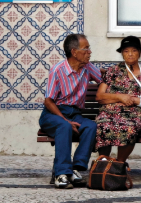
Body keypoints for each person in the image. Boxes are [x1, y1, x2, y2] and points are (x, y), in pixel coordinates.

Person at [40, 34, 102, 189]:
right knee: (64, 126)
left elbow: (104, 79)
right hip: (53, 113)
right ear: (74, 52)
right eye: (86, 48)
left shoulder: (87, 67)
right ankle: (61, 174)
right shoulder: (57, 70)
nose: (90, 52)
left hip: (74, 113)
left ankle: (74, 168)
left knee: (90, 126)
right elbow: (48, 101)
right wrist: (65, 120)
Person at [94, 36, 141, 164]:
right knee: (102, 124)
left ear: (140, 53)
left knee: (129, 127)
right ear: (122, 53)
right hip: (109, 112)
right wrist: (120, 97)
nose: (130, 54)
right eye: (126, 51)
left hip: (135, 114)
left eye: (134, 50)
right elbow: (99, 96)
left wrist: (138, 101)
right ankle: (103, 163)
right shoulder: (112, 72)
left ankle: (119, 165)